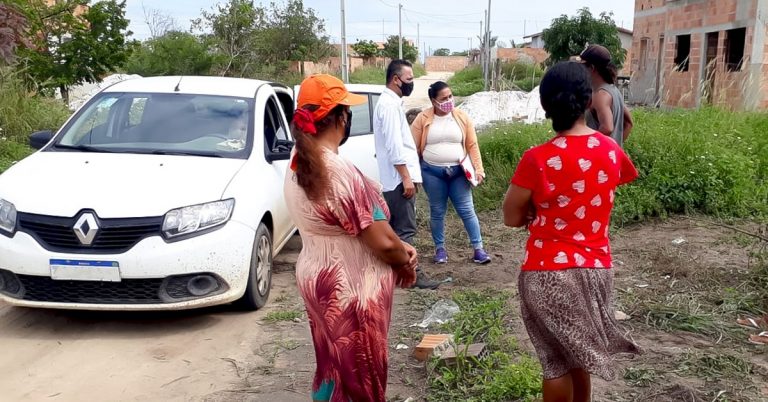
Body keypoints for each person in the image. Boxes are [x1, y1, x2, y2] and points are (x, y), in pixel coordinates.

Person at [502, 62, 641, 402]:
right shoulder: (612, 151)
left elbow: (510, 216)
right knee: (579, 355)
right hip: (596, 270)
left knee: (555, 362)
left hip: (548, 271)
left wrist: (535, 210)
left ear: (545, 105)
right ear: (589, 101)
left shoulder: (537, 159)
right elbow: (603, 187)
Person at [283, 74, 418, 401]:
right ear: (341, 118)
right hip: (351, 289)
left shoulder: (299, 164)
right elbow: (384, 243)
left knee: (332, 366)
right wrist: (405, 258)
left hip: (320, 278)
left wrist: (398, 245)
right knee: (361, 378)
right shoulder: (337, 171)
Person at [374, 59, 440, 289]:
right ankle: (411, 275)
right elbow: (394, 147)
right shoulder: (389, 106)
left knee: (397, 229)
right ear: (396, 79)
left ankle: (397, 273)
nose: (411, 84)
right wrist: (406, 177)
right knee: (405, 229)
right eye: (409, 80)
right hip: (397, 180)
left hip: (396, 178)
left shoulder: (389, 103)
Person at [411, 81, 491, 264]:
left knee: (467, 210)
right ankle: (440, 249)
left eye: (450, 96)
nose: (449, 100)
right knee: (437, 211)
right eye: (443, 98)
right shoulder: (423, 119)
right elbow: (413, 147)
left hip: (459, 173)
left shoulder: (461, 117)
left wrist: (479, 169)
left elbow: (472, 144)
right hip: (432, 173)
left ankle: (478, 249)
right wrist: (414, 175)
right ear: (433, 101)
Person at [581, 44, 634, 147]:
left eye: (583, 66)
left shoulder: (600, 95)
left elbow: (607, 128)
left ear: (591, 68)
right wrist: (615, 147)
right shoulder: (614, 90)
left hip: (598, 159)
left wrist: (586, 146)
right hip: (611, 159)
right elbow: (629, 123)